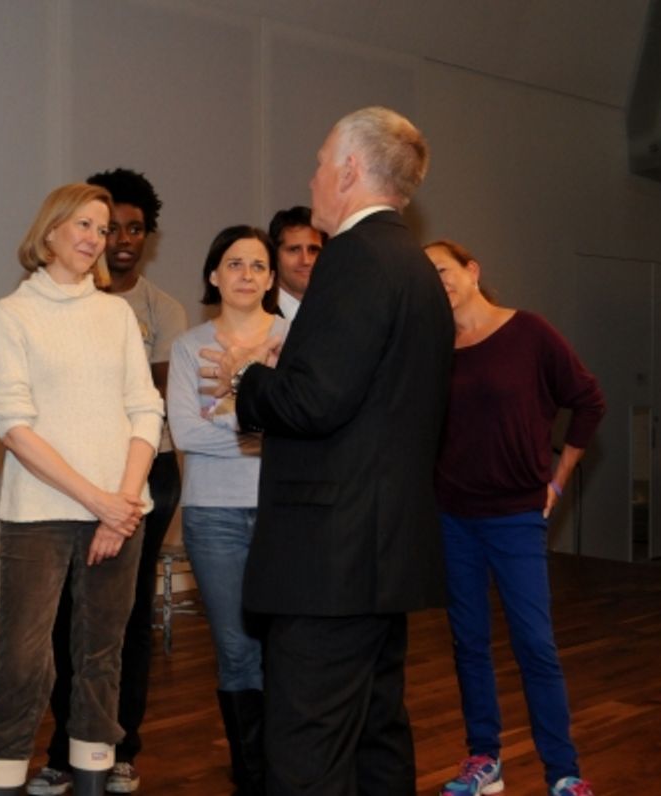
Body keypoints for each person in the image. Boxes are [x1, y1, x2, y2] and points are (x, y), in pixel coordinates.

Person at [205, 106, 454, 794]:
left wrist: (248, 377)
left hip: (331, 558)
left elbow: (314, 403)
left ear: (349, 170)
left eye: (320, 162)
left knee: (307, 750)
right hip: (380, 551)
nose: (312, 176)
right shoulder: (413, 266)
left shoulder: (355, 258)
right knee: (375, 738)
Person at [0, 183, 164, 796]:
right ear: (49, 232)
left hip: (120, 512)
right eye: (82, 224)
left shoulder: (116, 315)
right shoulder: (12, 313)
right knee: (25, 661)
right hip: (40, 514)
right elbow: (11, 422)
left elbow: (145, 409)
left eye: (102, 228)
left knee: (101, 656)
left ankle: (93, 779)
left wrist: (122, 504)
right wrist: (97, 499)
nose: (94, 238)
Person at [426, 240, 604, 796]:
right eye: (426, 276)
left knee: (534, 641)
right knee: (468, 642)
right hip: (452, 516)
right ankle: (485, 759)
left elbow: (588, 399)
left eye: (445, 270)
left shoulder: (528, 331)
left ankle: (563, 771)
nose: (439, 283)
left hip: (515, 516)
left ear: (472, 270)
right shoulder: (433, 349)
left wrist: (558, 478)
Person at [30, 167, 185, 796]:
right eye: (105, 225)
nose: (118, 238)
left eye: (134, 228)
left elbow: (147, 400)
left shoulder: (161, 310)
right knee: (65, 618)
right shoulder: (49, 298)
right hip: (69, 478)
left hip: (146, 472)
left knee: (123, 618)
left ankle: (119, 745)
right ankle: (65, 746)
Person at [167, 225, 287, 795]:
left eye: (258, 265)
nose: (246, 274)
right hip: (213, 515)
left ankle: (291, 768)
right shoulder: (190, 347)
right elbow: (187, 433)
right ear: (214, 275)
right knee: (238, 650)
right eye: (234, 264)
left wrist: (236, 418)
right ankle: (253, 777)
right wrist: (264, 428)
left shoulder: (295, 339)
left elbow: (310, 421)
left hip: (285, 512)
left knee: (286, 645)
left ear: (272, 277)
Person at [266, 204, 324, 322]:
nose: (306, 261)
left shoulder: (341, 312)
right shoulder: (255, 314)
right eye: (294, 250)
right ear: (274, 255)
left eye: (313, 250)